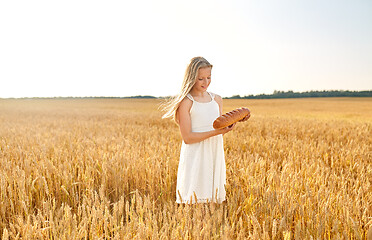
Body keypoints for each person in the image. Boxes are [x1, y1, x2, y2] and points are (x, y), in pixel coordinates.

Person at [162, 56, 249, 204]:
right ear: (191, 78)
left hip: (214, 150)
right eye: (201, 78)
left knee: (214, 200)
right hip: (196, 154)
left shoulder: (217, 99)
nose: (206, 82)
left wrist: (236, 120)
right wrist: (217, 132)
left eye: (209, 77)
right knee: (196, 201)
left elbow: (219, 124)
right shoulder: (186, 102)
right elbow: (187, 138)